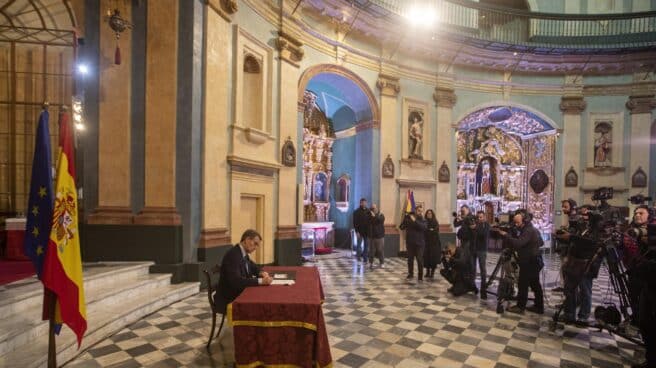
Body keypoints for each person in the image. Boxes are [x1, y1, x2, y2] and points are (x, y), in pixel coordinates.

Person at [213, 229, 273, 314]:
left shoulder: (242, 252)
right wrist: (261, 281)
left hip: (236, 292)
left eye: (257, 245)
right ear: (247, 240)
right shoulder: (233, 255)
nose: (256, 248)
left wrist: (260, 272)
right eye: (255, 244)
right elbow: (237, 282)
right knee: (261, 301)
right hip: (228, 298)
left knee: (262, 296)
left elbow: (252, 266)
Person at [497, 210, 544, 314]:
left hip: (530, 261)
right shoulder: (530, 229)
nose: (516, 225)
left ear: (525, 221)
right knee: (535, 284)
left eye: (518, 223)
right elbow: (540, 242)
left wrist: (506, 235)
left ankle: (520, 307)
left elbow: (518, 244)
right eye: (515, 222)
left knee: (523, 284)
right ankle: (539, 306)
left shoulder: (528, 230)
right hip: (532, 260)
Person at [400, 205, 427, 282]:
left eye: (421, 211)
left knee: (419, 259)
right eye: (418, 210)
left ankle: (420, 276)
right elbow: (402, 227)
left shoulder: (423, 219)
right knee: (410, 259)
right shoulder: (409, 218)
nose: (420, 212)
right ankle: (410, 273)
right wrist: (405, 219)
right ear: (415, 211)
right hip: (410, 242)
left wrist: (414, 220)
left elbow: (423, 228)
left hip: (420, 243)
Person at [472, 211, 490, 299]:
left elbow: (483, 234)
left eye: (481, 217)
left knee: (483, 269)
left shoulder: (486, 225)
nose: (479, 219)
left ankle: (483, 289)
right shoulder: (475, 225)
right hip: (474, 249)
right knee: (473, 268)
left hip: (482, 250)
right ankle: (473, 286)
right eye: (478, 217)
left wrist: (476, 228)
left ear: (484, 217)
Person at [423, 209, 441, 279]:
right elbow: (425, 230)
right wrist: (430, 230)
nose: (429, 214)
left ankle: (432, 273)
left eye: (430, 213)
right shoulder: (425, 221)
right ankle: (427, 272)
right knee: (426, 258)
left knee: (433, 258)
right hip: (426, 243)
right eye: (428, 213)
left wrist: (431, 230)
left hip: (434, 243)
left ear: (432, 214)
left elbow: (435, 230)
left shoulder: (435, 221)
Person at [353, 198, 371, 262]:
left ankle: (365, 258)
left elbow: (370, 222)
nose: (364, 204)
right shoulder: (356, 212)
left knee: (366, 246)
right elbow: (355, 223)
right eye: (363, 203)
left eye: (365, 203)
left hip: (367, 232)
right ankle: (358, 257)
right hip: (359, 232)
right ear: (360, 203)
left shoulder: (369, 211)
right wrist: (357, 231)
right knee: (359, 245)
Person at [368, 203, 385, 269]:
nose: (373, 209)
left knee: (380, 250)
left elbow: (380, 221)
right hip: (371, 236)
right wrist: (371, 215)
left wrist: (374, 216)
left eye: (374, 208)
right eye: (372, 208)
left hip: (379, 236)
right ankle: (370, 263)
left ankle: (382, 263)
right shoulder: (369, 215)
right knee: (371, 251)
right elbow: (368, 222)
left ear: (377, 208)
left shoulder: (381, 215)